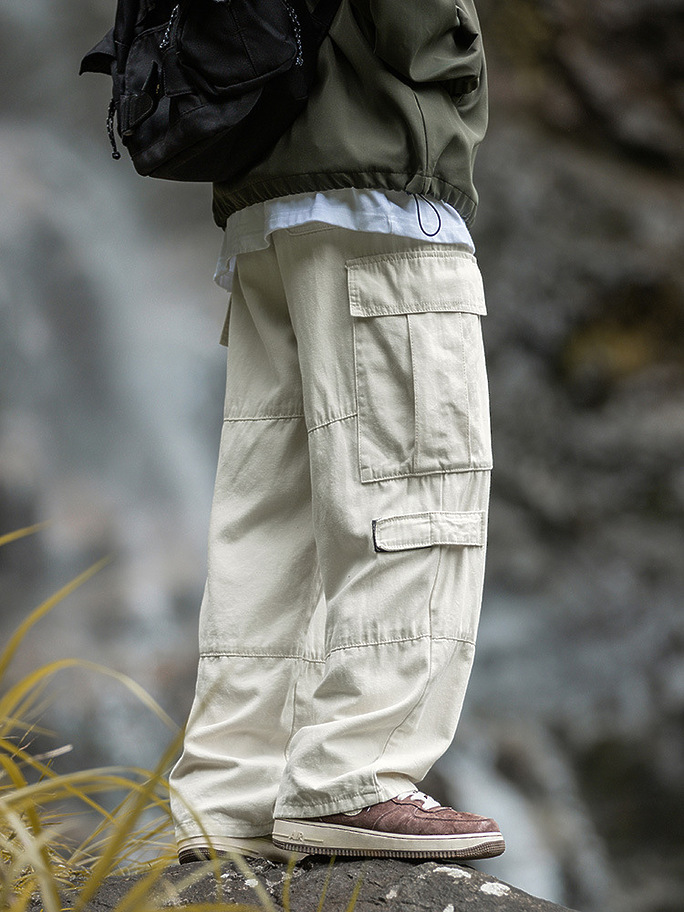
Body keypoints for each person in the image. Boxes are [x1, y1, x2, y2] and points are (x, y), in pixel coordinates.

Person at [169, 0, 505, 863]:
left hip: (263, 205)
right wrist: (462, 56)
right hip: (378, 195)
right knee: (417, 490)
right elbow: (420, 29)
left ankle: (231, 798)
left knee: (273, 522)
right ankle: (355, 775)